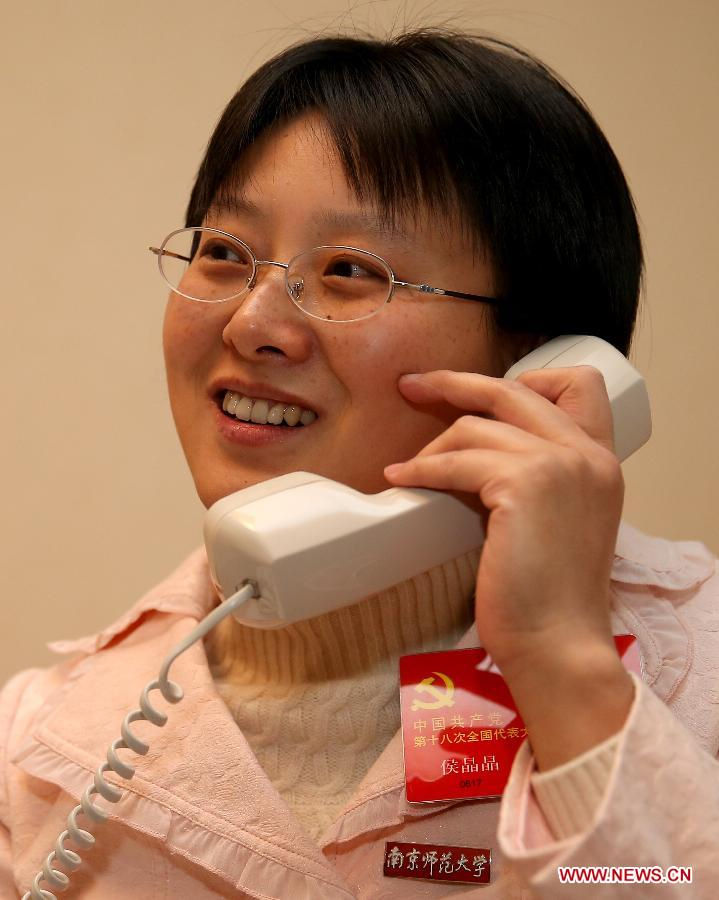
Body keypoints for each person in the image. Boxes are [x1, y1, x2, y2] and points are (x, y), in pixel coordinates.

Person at [2, 27, 717, 899]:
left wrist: (560, 660)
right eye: (224, 253)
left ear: (540, 360)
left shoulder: (699, 665)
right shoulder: (38, 743)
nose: (252, 321)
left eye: (348, 270)